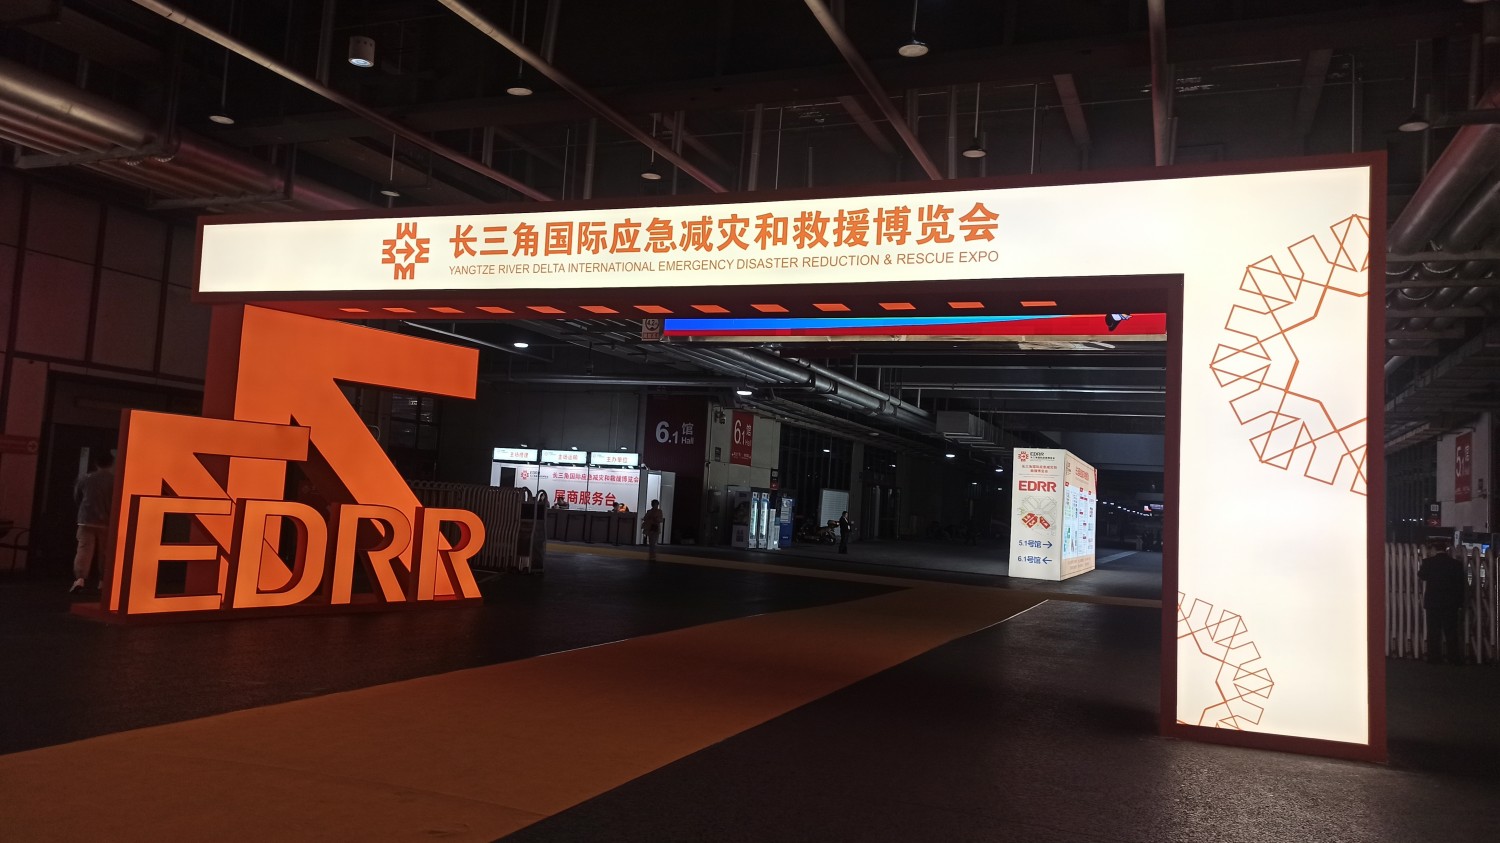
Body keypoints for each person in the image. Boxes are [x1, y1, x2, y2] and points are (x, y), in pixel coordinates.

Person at [71, 451, 116, 593]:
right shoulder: (115, 480)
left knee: (84, 549)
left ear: (96, 464)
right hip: (107, 520)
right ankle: (103, 581)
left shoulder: (85, 478)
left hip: (86, 519)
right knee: (106, 552)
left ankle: (80, 579)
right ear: (112, 463)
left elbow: (77, 497)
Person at [1418, 539, 1467, 664]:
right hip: (1451, 603)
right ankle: (1453, 658)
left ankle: (1434, 657)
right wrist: (1460, 602)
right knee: (1451, 631)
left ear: (1434, 549)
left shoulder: (1428, 562)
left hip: (1433, 602)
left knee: (1433, 631)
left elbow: (1422, 575)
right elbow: (1460, 585)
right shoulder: (1455, 564)